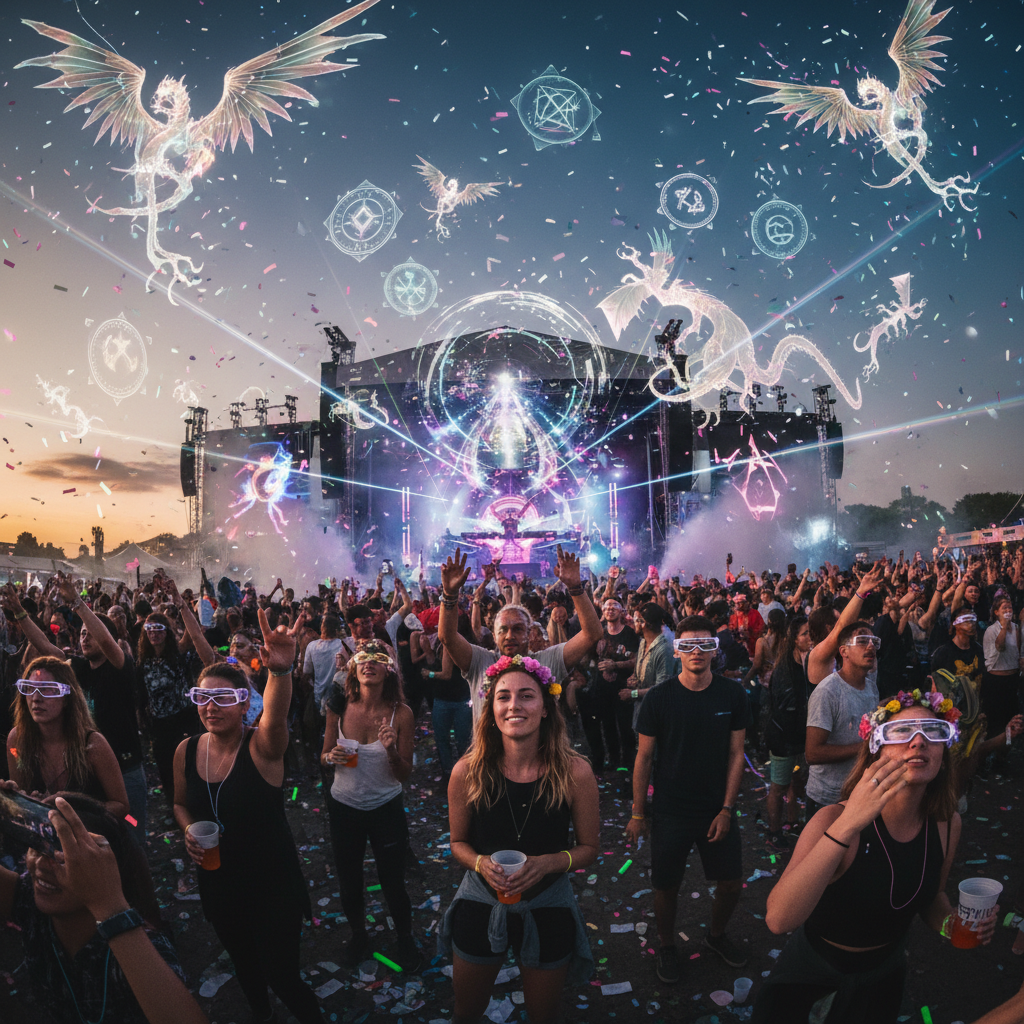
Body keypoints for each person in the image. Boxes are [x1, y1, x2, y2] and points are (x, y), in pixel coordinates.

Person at [753, 691, 992, 1023]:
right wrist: (849, 822)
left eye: (932, 731)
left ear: (944, 751)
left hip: (884, 976)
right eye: (901, 732)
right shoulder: (832, 820)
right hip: (814, 975)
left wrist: (952, 926)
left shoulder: (947, 824)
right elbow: (779, 919)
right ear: (877, 748)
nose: (918, 742)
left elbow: (932, 896)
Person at [173, 609, 322, 1024]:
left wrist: (281, 671)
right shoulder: (186, 750)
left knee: (282, 974)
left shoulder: (261, 747)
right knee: (244, 964)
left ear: (243, 705)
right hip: (219, 883)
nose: (210, 707)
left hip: (271, 884)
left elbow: (275, 719)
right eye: (203, 698)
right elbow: (180, 804)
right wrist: (188, 830)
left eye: (223, 699)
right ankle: (261, 1013)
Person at [440, 654, 599, 1024]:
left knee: (544, 1016)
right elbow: (457, 843)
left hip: (548, 902)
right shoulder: (467, 771)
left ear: (545, 708)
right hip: (481, 899)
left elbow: (589, 848)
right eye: (503, 696)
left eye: (526, 695)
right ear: (491, 709)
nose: (514, 705)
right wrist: (480, 863)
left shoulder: (575, 772)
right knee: (466, 1012)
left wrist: (547, 863)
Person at [0, 787, 207, 1024]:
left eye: (62, 857)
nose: (41, 864)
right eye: (36, 846)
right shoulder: (29, 900)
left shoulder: (143, 948)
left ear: (104, 873)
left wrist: (110, 908)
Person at [626, 615, 751, 986]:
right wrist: (638, 813)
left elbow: (737, 754)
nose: (697, 651)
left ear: (715, 650)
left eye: (705, 644)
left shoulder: (732, 694)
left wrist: (727, 808)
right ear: (676, 651)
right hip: (671, 809)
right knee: (666, 886)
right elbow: (643, 758)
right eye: (688, 645)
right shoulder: (659, 698)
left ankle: (716, 935)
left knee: (731, 883)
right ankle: (667, 945)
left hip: (716, 806)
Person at [3, 576, 149, 842]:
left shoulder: (120, 666)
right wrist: (20, 613)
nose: (85, 637)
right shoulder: (77, 669)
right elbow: (46, 648)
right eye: (82, 633)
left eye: (91, 633)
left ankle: (137, 858)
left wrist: (78, 604)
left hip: (125, 768)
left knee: (130, 827)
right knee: (91, 832)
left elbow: (109, 644)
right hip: (85, 769)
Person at [320, 641, 419, 969]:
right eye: (362, 657)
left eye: (378, 658)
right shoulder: (338, 707)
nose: (369, 663)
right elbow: (323, 756)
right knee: (349, 882)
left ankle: (405, 939)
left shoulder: (401, 714)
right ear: (353, 666)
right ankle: (359, 935)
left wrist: (391, 750)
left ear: (389, 669)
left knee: (393, 882)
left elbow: (404, 774)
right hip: (344, 807)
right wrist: (330, 756)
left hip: (385, 808)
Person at [438, 546, 604, 722]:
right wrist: (449, 595)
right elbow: (447, 637)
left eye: (517, 629)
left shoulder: (548, 661)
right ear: (494, 636)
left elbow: (592, 634)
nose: (509, 636)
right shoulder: (480, 661)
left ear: (530, 633)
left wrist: (576, 588)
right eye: (502, 630)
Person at [7, 657, 129, 818]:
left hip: (89, 833)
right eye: (29, 688)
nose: (36, 698)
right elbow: (21, 801)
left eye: (47, 689)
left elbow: (122, 807)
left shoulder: (92, 745)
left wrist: (74, 806)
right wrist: (13, 797)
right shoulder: (17, 740)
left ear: (66, 698)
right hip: (43, 832)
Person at [805, 621, 882, 819]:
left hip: (860, 793)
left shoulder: (871, 687)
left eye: (874, 641)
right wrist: (865, 747)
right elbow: (812, 753)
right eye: (862, 640)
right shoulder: (828, 691)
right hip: (828, 799)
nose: (871, 646)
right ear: (844, 651)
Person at [136, 610, 204, 804]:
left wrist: (182, 606)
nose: (154, 633)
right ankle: (174, 806)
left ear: (166, 631)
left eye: (158, 628)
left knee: (189, 764)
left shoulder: (178, 654)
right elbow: (141, 694)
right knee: (166, 768)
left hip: (183, 718)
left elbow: (192, 634)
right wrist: (141, 716)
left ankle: (195, 803)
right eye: (149, 629)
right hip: (159, 723)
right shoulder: (143, 662)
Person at [982, 596, 1021, 773]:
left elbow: (1018, 652)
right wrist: (1004, 626)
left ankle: (1002, 758)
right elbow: (1000, 646)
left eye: (1010, 607)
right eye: (1004, 607)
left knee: (1011, 720)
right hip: (995, 682)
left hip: (1011, 680)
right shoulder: (991, 630)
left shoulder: (1017, 629)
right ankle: (985, 756)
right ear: (996, 612)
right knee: (994, 721)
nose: (1008, 610)